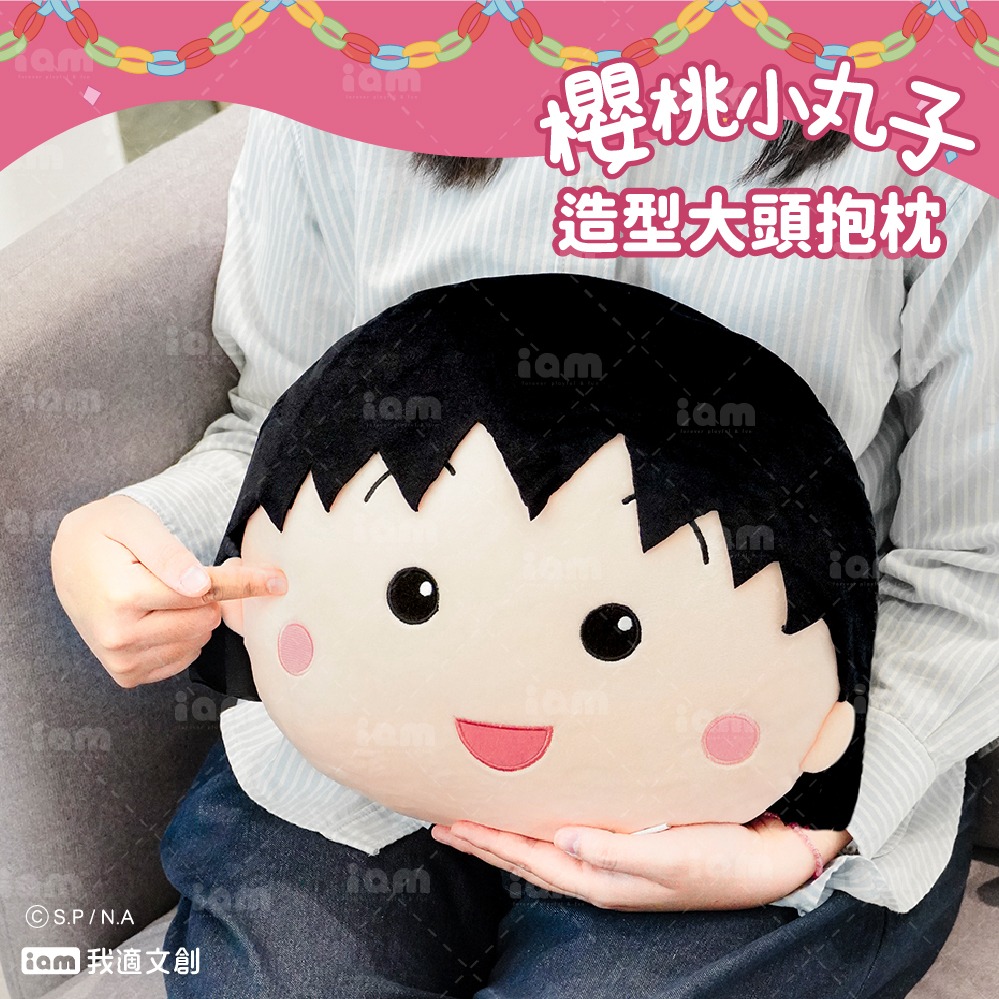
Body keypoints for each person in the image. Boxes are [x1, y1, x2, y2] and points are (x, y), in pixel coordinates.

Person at [50, 105, 999, 997]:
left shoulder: (941, 124)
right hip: (377, 735)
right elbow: (290, 421)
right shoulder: (349, 75)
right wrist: (140, 533)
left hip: (748, 783)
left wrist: (815, 827)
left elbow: (973, 562)